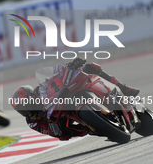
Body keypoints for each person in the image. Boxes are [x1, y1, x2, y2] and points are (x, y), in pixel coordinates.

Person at [11, 58, 140, 141]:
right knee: (62, 132)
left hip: (67, 96)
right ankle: (94, 126)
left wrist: (70, 68)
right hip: (63, 118)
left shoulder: (41, 89)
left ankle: (124, 88)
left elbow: (55, 78)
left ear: (32, 96)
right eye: (22, 110)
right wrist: (53, 125)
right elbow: (55, 133)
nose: (26, 110)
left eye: (26, 105)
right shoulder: (32, 121)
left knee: (90, 67)